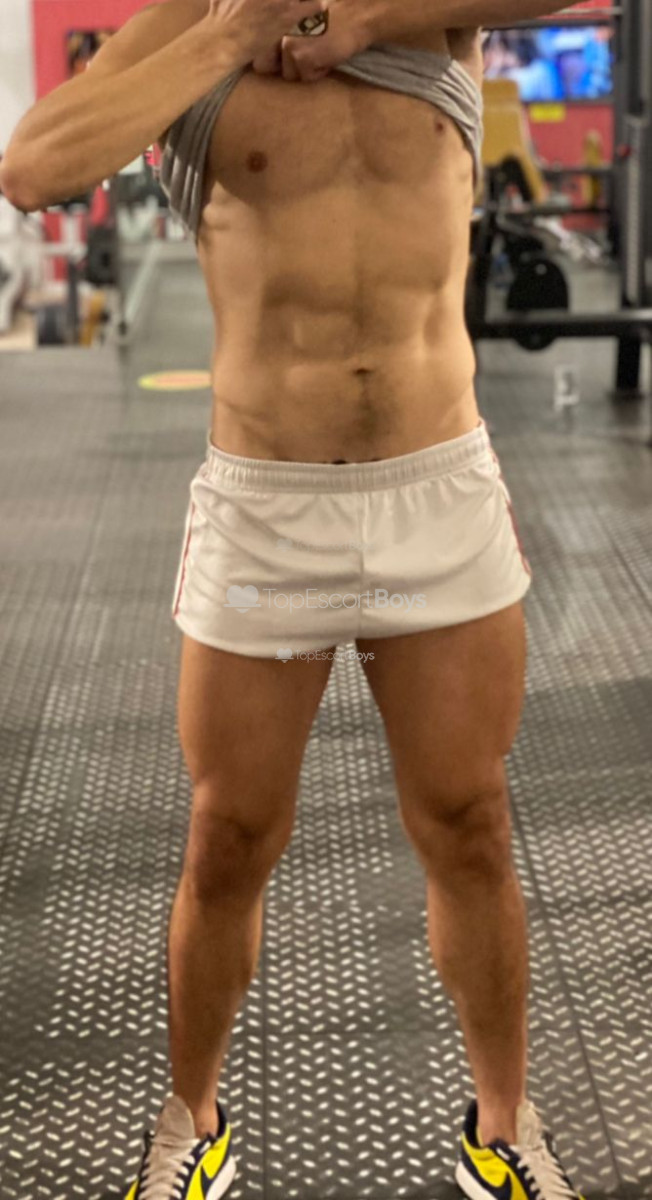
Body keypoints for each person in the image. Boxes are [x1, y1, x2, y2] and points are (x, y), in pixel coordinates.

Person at [0, 1, 588, 1198]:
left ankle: (502, 1132)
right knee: (228, 838)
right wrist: (231, 39)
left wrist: (358, 22)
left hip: (436, 487)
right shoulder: (188, 28)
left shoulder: (432, 17)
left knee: (470, 823)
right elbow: (30, 168)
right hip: (265, 505)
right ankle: (191, 1130)